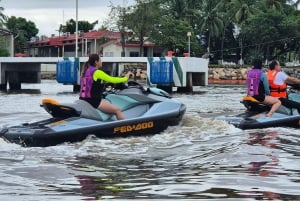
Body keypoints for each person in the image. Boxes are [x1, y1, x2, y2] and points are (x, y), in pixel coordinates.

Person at [79, 54, 128, 120]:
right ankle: (123, 128)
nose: (102, 62)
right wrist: (125, 78)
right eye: (100, 60)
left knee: (107, 102)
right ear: (96, 62)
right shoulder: (97, 72)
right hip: (93, 101)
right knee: (117, 110)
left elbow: (92, 84)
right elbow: (112, 79)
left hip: (82, 99)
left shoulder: (85, 71)